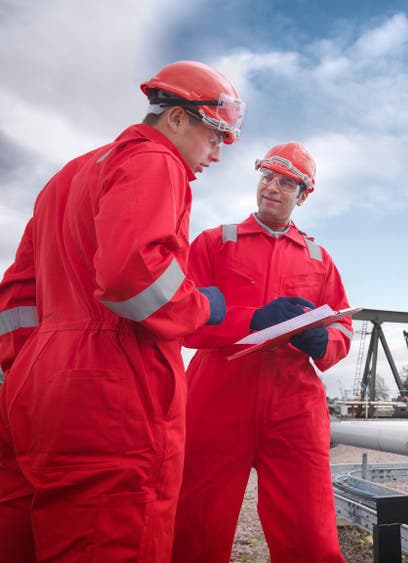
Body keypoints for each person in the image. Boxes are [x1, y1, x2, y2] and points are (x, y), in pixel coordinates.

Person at [0, 60, 245, 562]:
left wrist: (37, 366)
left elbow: (17, 298)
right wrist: (202, 307)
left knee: (23, 534)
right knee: (113, 537)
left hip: (35, 387)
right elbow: (133, 278)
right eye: (215, 136)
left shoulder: (65, 179)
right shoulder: (155, 160)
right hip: (111, 392)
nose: (217, 154)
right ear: (177, 118)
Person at [171, 141, 353, 563]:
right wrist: (250, 320)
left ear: (303, 196)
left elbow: (342, 323)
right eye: (267, 177)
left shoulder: (318, 259)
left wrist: (325, 342)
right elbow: (184, 317)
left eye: (286, 183)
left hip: (293, 408)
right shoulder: (215, 243)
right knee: (194, 523)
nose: (272, 187)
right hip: (217, 399)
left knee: (310, 533)